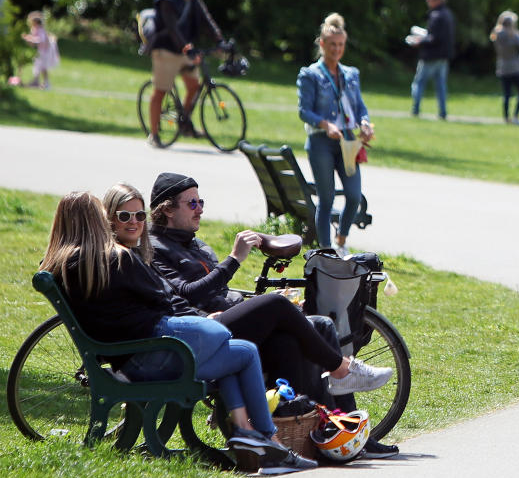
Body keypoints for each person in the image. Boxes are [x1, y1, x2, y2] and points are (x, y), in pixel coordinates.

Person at [41, 191, 316, 474]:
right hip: (149, 356)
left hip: (129, 355)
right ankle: (267, 442)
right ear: (96, 221)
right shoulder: (116, 259)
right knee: (237, 347)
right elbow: (161, 296)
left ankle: (248, 434)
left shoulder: (61, 264)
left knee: (236, 352)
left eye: (139, 215)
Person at [137, 175, 398, 457]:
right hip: (200, 332)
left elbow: (219, 291)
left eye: (201, 201)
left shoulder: (196, 245)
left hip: (225, 323)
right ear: (166, 209)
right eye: (192, 203)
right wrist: (234, 260)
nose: (200, 208)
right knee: (274, 304)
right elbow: (185, 295)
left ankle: (342, 432)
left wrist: (242, 302)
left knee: (316, 325)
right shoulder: (155, 248)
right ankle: (341, 369)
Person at [297, 14, 375, 255]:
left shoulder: (351, 74)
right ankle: (326, 250)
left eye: (341, 45)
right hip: (321, 142)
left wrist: (365, 123)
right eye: (332, 44)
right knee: (327, 198)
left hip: (348, 141)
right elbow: (303, 111)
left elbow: (360, 107)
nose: (337, 49)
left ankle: (341, 240)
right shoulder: (310, 74)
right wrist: (325, 125)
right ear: (322, 44)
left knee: (353, 195)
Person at [147, 0, 224, 146]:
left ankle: (184, 122)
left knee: (194, 85)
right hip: (166, 49)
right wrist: (186, 48)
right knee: (160, 91)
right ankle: (154, 133)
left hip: (184, 48)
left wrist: (219, 39)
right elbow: (172, 29)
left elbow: (205, 18)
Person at [409, 0, 455, 119]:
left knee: (419, 83)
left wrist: (419, 41)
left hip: (430, 56)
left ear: (436, 0)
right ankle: (443, 112)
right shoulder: (448, 14)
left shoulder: (436, 16)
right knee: (441, 86)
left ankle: (415, 109)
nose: (427, 2)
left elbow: (434, 38)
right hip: (443, 57)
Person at [490, 10, 519, 125]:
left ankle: (506, 117)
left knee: (507, 94)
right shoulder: (514, 35)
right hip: (514, 67)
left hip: (502, 67)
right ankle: (516, 116)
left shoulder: (496, 34)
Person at [22, 11, 59, 89]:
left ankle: (46, 83)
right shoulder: (35, 29)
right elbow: (33, 43)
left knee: (42, 67)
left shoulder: (40, 29)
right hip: (41, 50)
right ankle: (36, 81)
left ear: (35, 22)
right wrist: (29, 39)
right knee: (38, 65)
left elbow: (40, 40)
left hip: (45, 51)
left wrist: (29, 38)